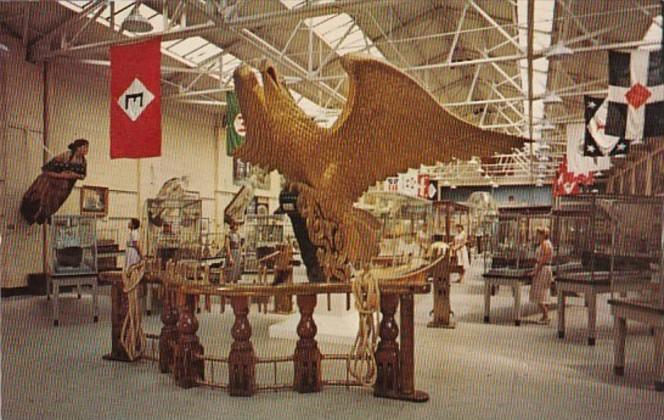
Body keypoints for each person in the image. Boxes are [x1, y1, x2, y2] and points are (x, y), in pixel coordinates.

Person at [20, 139, 89, 225]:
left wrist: (73, 175)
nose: (87, 150)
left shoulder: (83, 161)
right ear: (78, 148)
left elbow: (82, 176)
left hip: (65, 187)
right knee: (41, 199)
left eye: (87, 147)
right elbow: (46, 170)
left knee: (55, 204)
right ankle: (32, 214)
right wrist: (62, 176)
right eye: (85, 147)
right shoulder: (65, 156)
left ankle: (44, 216)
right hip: (50, 182)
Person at [529, 227, 553, 324]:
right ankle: (544, 316)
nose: (537, 236)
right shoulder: (546, 244)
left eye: (538, 234)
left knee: (539, 294)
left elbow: (543, 259)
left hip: (542, 270)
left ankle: (546, 316)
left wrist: (535, 271)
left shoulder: (545, 244)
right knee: (543, 293)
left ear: (543, 234)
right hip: (544, 269)